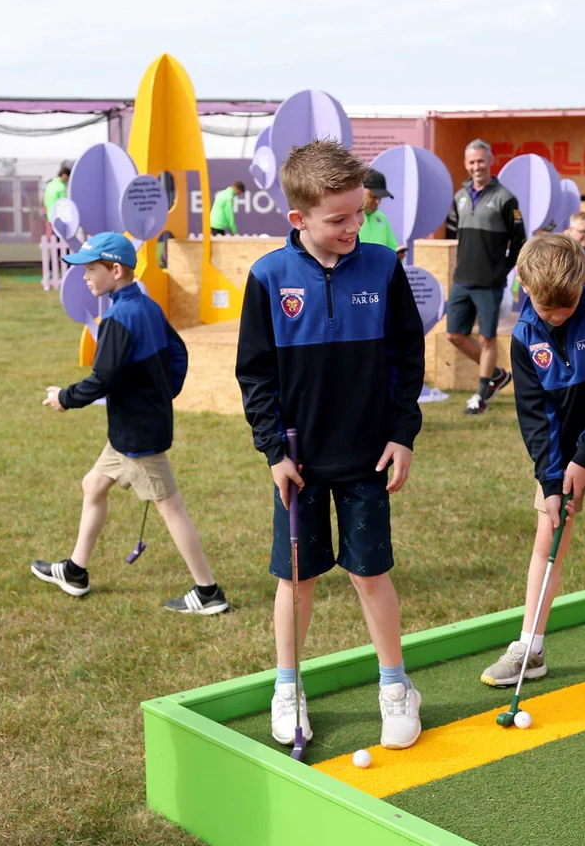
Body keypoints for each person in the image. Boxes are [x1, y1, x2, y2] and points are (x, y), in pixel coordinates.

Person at [237, 137, 426, 750]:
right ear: (299, 219)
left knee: (371, 574)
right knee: (297, 580)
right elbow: (256, 373)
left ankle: (395, 686)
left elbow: (406, 355)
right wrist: (274, 451)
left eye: (360, 214)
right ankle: (287, 688)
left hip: (368, 455)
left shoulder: (383, 265)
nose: (355, 227)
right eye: (338, 218)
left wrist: (403, 433)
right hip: (298, 464)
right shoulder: (267, 277)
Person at [482, 234, 585, 705]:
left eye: (566, 305)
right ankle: (531, 647)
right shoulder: (523, 333)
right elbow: (535, 416)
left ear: (582, 281)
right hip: (559, 455)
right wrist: (552, 479)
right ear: (526, 290)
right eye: (546, 307)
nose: (556, 315)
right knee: (548, 537)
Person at [31, 231, 229, 615]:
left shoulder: (120, 318)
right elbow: (178, 354)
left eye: (90, 269)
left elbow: (102, 378)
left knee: (171, 508)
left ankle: (208, 592)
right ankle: (75, 572)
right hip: (131, 430)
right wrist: (159, 396)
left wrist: (64, 398)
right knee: (93, 486)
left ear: (116, 270)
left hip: (138, 436)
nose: (85, 277)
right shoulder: (147, 306)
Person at [442, 139, 524, 416]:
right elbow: (452, 235)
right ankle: (497, 375)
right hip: (462, 280)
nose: (477, 166)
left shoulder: (505, 197)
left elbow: (520, 240)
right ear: (466, 164)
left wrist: (502, 270)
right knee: (454, 334)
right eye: (472, 162)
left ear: (489, 161)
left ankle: (480, 396)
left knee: (488, 338)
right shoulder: (460, 195)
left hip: (490, 282)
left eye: (481, 161)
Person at [358, 168, 399, 251]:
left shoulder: (382, 218)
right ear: (360, 190)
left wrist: (397, 257)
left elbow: (393, 248)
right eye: (373, 196)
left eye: (380, 197)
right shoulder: (348, 218)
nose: (377, 201)